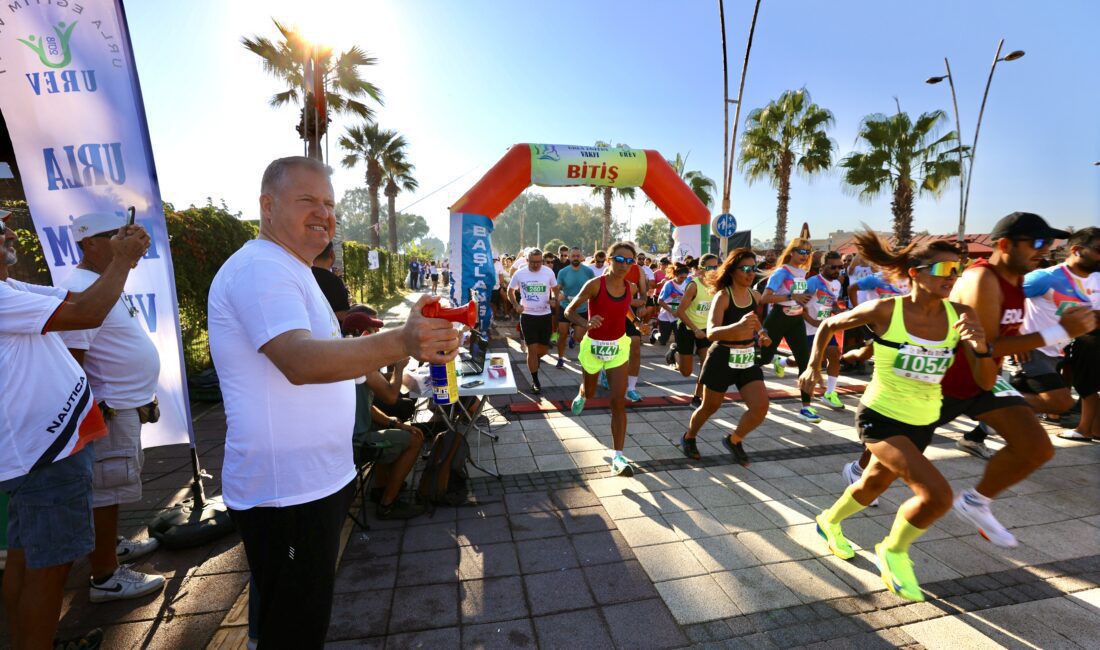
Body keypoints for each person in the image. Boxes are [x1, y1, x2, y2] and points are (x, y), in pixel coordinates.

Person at [207, 156, 460, 648]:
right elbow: (299, 362)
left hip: (311, 483)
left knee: (287, 618)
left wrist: (392, 337)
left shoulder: (288, 266)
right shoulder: (261, 267)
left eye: (329, 203)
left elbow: (326, 353)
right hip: (289, 494)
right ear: (267, 205)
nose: (323, 213)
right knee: (296, 630)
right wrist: (402, 342)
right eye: (308, 201)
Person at [802, 231, 996, 603]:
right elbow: (828, 326)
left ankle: (828, 520)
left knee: (871, 485)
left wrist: (982, 347)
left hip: (922, 421)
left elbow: (985, 381)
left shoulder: (962, 316)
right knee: (936, 496)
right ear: (915, 273)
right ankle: (893, 549)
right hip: (881, 416)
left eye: (958, 269)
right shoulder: (886, 310)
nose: (952, 276)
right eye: (943, 268)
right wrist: (812, 367)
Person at [1, 212, 150, 650]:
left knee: (28, 559)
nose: (9, 233)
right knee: (50, 569)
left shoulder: (10, 289)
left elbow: (72, 300)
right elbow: (85, 313)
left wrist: (120, 256)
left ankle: (34, 642)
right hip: (46, 451)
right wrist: (120, 261)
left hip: (41, 448)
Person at [55, 213, 166, 605]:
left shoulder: (100, 283)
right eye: (115, 235)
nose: (126, 241)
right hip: (109, 410)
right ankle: (104, 575)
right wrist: (91, 412)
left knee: (109, 486)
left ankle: (108, 547)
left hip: (119, 407)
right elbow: (72, 359)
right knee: (105, 488)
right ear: (90, 243)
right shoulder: (79, 288)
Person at [679, 249, 771, 465]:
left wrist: (762, 334)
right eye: (745, 269)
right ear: (732, 271)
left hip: (747, 357)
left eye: (753, 269)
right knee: (710, 407)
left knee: (760, 407)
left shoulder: (754, 296)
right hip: (722, 356)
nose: (751, 274)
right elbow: (711, 332)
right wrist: (737, 326)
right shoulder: (723, 296)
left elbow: (754, 321)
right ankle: (689, 437)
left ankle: (734, 439)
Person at [565, 242, 642, 476]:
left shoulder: (629, 286)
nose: (624, 265)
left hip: (617, 347)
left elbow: (625, 307)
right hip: (594, 347)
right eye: (619, 259)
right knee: (590, 392)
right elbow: (569, 310)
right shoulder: (595, 284)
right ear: (609, 260)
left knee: (618, 401)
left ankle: (618, 457)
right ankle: (582, 393)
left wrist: (636, 322)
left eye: (629, 261)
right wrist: (585, 323)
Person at [1015, 226, 1100, 430]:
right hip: (1034, 350)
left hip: (1058, 352)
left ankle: (978, 430)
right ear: (1076, 250)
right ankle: (985, 404)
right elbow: (1002, 300)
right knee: (1060, 402)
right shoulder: (1045, 277)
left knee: (1027, 393)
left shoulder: (1096, 280)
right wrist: (1015, 337)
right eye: (1098, 249)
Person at [757, 238, 819, 422]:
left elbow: (799, 299)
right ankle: (740, 361)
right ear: (791, 251)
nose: (804, 255)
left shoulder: (802, 272)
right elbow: (764, 299)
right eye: (801, 251)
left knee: (805, 362)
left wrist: (806, 310)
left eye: (808, 252)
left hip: (796, 320)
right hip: (778, 318)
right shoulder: (781, 272)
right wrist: (792, 295)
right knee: (764, 358)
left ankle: (806, 407)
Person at [792, 251, 847, 410]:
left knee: (834, 354)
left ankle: (829, 393)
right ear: (823, 266)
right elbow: (797, 305)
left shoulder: (837, 284)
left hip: (824, 328)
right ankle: (782, 361)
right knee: (809, 362)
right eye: (833, 267)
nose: (837, 270)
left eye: (840, 267)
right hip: (807, 329)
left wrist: (839, 311)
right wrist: (813, 321)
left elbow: (832, 303)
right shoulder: (812, 283)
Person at [601, 246, 649, 402]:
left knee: (635, 346)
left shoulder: (638, 271)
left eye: (629, 259)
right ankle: (604, 370)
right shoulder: (609, 271)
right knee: (612, 350)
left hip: (629, 314)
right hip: (612, 314)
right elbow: (612, 297)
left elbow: (643, 293)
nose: (625, 262)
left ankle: (631, 388)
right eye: (620, 259)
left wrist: (641, 305)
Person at [507, 248, 557, 394]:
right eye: (533, 262)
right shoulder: (520, 273)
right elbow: (510, 291)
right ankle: (535, 381)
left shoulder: (548, 272)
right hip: (528, 316)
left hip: (545, 315)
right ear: (527, 261)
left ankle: (535, 360)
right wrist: (516, 305)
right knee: (532, 349)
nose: (536, 265)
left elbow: (555, 288)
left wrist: (553, 299)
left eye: (539, 262)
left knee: (544, 350)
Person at [674, 255, 719, 407]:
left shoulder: (717, 286)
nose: (714, 270)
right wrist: (694, 329)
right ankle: (674, 353)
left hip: (705, 329)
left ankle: (697, 397)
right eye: (710, 267)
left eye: (716, 267)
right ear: (701, 269)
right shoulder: (694, 286)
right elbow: (679, 312)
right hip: (687, 326)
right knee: (686, 372)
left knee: (706, 363)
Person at [555, 247, 596, 367]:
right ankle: (560, 358)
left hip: (582, 308)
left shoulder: (588, 272)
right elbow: (557, 289)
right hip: (566, 307)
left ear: (582, 257)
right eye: (573, 256)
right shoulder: (563, 272)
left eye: (578, 256)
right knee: (562, 334)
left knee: (579, 337)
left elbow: (594, 288)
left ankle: (573, 337)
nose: (576, 258)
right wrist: (559, 295)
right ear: (569, 257)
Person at [312, 243, 351, 324]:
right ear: (332, 254)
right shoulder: (334, 281)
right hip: (332, 334)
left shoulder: (304, 276)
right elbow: (343, 314)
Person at [657, 263, 689, 349]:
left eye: (685, 277)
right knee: (663, 340)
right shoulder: (669, 285)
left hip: (678, 316)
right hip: (666, 316)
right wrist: (672, 311)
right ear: (675, 275)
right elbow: (660, 301)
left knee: (679, 338)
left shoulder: (688, 283)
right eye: (681, 277)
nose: (683, 280)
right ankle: (654, 333)